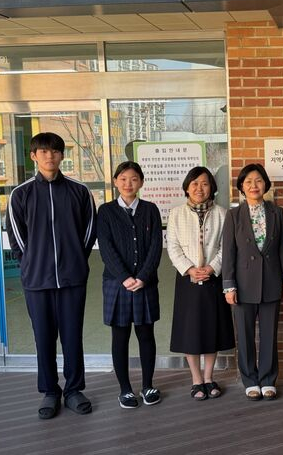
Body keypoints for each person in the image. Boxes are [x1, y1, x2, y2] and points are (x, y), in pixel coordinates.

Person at [6, 132, 97, 419]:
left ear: (62, 155)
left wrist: (76, 261)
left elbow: (89, 231)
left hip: (72, 279)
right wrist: (31, 264)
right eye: (43, 151)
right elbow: (16, 237)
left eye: (55, 151)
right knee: (43, 338)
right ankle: (49, 391)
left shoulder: (79, 191)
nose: (50, 156)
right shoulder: (21, 194)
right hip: (37, 281)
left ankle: (74, 390)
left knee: (72, 336)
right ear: (34, 156)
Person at [222, 164, 283, 400]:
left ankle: (268, 379)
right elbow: (228, 252)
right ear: (242, 187)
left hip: (272, 281)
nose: (254, 185)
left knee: (269, 334)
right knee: (244, 335)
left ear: (266, 184)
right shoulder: (233, 215)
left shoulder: (277, 213)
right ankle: (250, 380)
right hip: (243, 284)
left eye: (259, 180)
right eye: (248, 182)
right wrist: (229, 285)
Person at [97, 161, 163, 409]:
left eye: (134, 179)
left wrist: (143, 276)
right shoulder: (105, 211)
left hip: (146, 283)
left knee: (146, 334)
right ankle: (125, 390)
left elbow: (156, 246)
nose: (128, 183)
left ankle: (148, 386)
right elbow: (106, 248)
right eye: (123, 179)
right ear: (115, 182)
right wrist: (125, 277)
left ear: (141, 182)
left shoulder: (150, 209)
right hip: (117, 284)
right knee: (120, 336)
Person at [168, 166, 235, 401]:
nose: (199, 188)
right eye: (194, 183)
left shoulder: (223, 214)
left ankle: (209, 377)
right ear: (187, 187)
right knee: (190, 330)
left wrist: (212, 268)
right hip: (187, 279)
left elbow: (226, 247)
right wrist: (189, 269)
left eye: (205, 183)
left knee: (211, 328)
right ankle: (196, 379)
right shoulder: (176, 214)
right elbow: (173, 246)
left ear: (212, 188)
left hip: (212, 279)